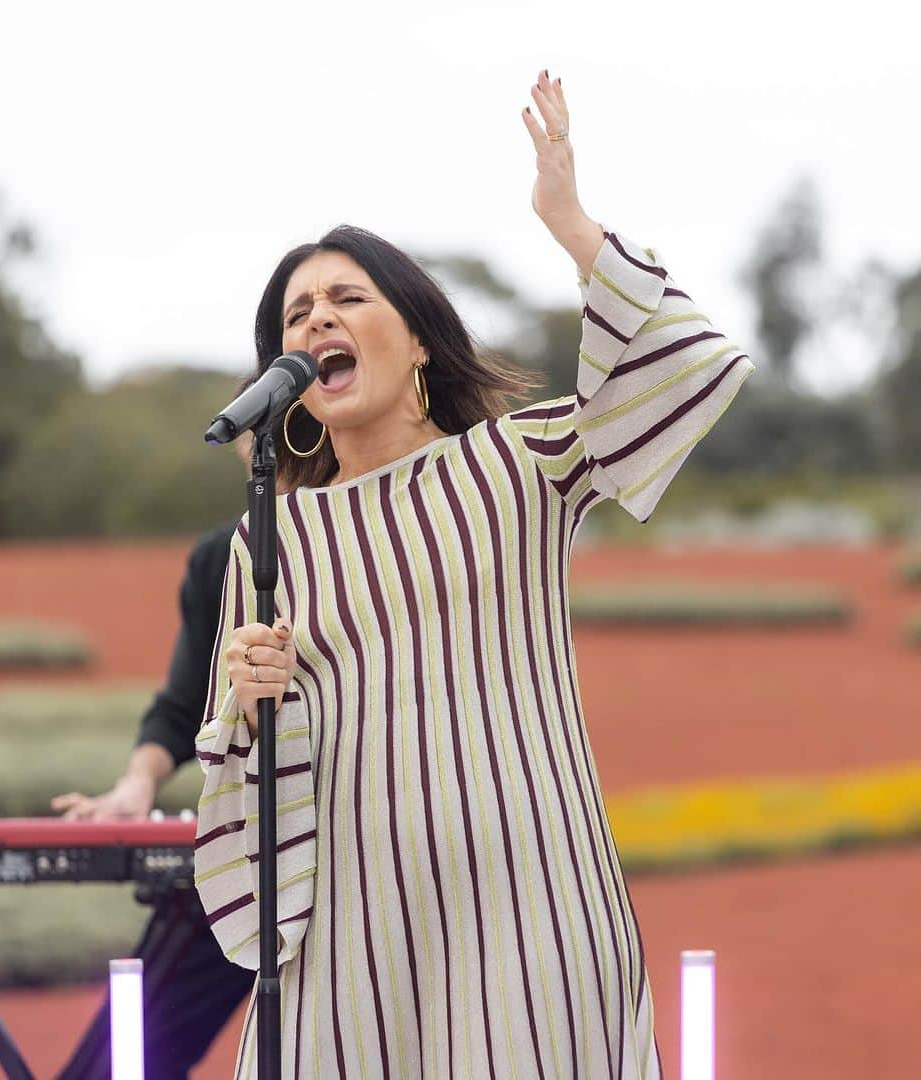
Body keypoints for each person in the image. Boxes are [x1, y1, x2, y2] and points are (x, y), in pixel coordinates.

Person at [194, 70, 755, 1079]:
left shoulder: (519, 462)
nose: (316, 320)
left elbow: (684, 366)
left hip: (533, 907)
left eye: (345, 298)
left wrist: (570, 221)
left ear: (414, 340)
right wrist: (246, 699)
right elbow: (238, 782)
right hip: (351, 936)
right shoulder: (265, 542)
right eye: (296, 313)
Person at [51, 435, 256, 1078]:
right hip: (256, 850)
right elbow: (180, 708)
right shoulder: (223, 557)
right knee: (124, 1062)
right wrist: (136, 782)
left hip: (375, 853)